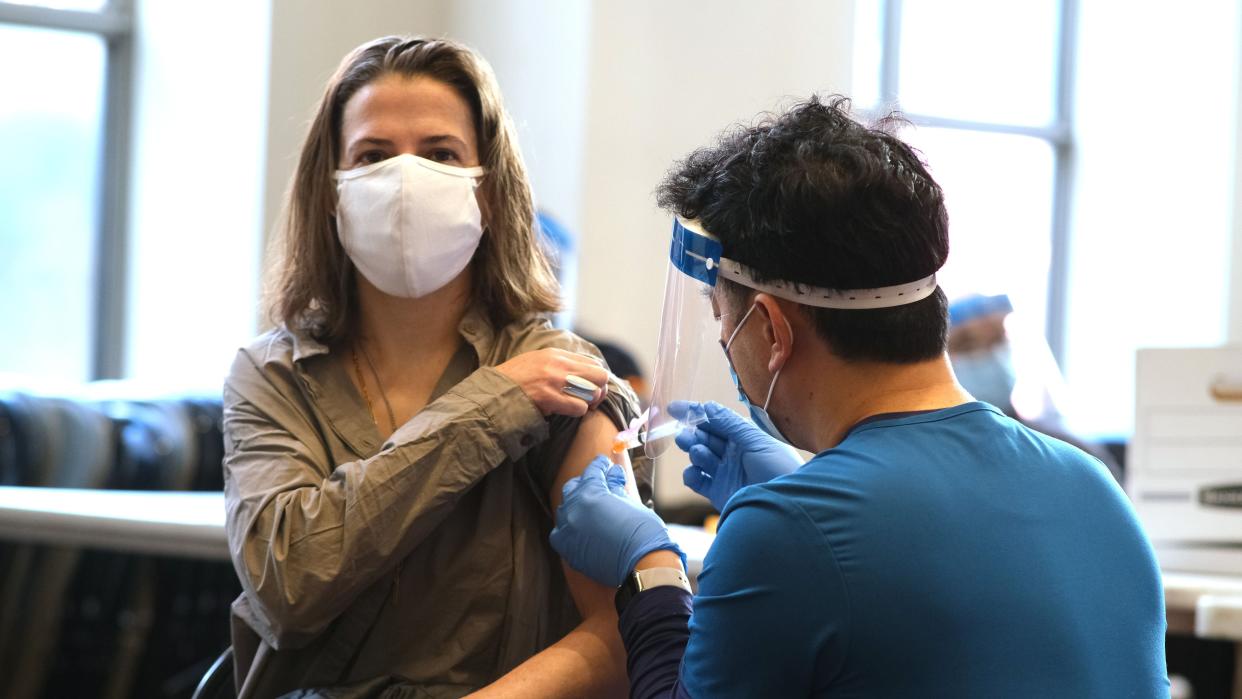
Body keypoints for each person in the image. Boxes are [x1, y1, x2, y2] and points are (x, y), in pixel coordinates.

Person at [548, 96, 1168, 697]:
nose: (723, 342)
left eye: (721, 318)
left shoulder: (784, 530)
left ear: (771, 329)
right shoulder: (1093, 488)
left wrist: (650, 568)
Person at [222, 36, 646, 698]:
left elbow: (622, 627)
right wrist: (492, 405)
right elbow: (289, 583)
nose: (404, 181)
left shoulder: (560, 372)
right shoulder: (272, 375)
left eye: (441, 154)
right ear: (331, 191)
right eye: (373, 156)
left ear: (487, 188)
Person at [947, 292, 1122, 481]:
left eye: (997, 341)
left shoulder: (1068, 453)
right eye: (969, 345)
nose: (992, 354)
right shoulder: (934, 455)